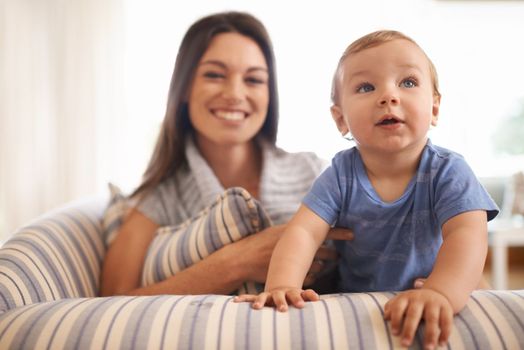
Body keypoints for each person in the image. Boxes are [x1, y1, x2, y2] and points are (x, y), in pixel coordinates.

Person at [235, 30, 499, 350]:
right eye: (366, 87)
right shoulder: (341, 174)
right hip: (356, 297)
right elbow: (303, 232)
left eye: (408, 82)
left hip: (433, 285)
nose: (388, 96)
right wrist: (282, 284)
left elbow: (467, 235)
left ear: (434, 108)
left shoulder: (448, 170)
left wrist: (440, 292)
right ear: (341, 119)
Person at [100, 11, 353, 297]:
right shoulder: (161, 197)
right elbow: (112, 300)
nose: (234, 93)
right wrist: (237, 262)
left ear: (269, 95)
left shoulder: (315, 171)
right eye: (214, 75)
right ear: (183, 88)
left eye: (254, 80)